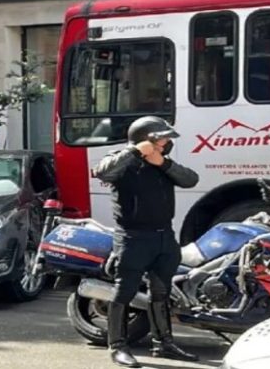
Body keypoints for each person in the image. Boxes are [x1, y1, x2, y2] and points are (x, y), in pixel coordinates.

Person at [92, 116, 199, 368]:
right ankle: (117, 346)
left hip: (164, 237)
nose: (166, 142)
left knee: (161, 292)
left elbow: (190, 179)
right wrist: (133, 151)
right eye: (162, 138)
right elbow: (103, 171)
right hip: (133, 239)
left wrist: (162, 163)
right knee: (124, 292)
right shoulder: (121, 160)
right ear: (146, 139)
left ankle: (163, 343)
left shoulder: (162, 163)